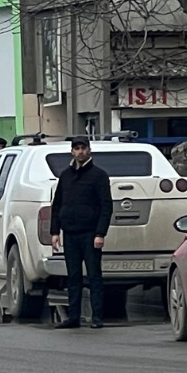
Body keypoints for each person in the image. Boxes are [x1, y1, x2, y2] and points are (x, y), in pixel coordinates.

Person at [49, 135, 112, 330]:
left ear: (89, 150)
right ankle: (73, 317)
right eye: (76, 148)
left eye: (83, 148)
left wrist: (100, 233)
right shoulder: (66, 176)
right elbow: (57, 204)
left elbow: (106, 206)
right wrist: (55, 232)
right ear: (72, 151)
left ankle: (97, 317)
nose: (80, 152)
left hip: (91, 234)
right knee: (73, 277)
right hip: (70, 234)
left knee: (94, 276)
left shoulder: (99, 176)